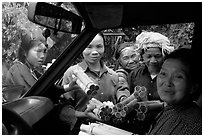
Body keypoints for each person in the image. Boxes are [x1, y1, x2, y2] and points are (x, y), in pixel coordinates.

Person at [59, 32, 126, 134]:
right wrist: (84, 114)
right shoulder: (72, 73)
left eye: (99, 46)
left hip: (108, 130)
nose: (94, 52)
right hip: (82, 130)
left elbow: (118, 106)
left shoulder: (113, 75)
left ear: (104, 47)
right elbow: (64, 110)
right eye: (88, 47)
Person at [127, 31, 174, 134]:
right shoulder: (134, 75)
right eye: (148, 56)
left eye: (157, 56)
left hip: (163, 128)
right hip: (135, 128)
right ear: (142, 56)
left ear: (164, 55)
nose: (153, 61)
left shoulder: (171, 77)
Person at [148, 48, 202, 135]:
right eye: (163, 74)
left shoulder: (190, 125)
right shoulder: (170, 110)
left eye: (178, 77)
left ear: (193, 87)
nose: (167, 82)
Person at [5, 26, 47, 95]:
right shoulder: (18, 70)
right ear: (25, 52)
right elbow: (36, 93)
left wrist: (66, 88)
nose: (42, 56)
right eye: (38, 51)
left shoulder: (32, 70)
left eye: (44, 51)